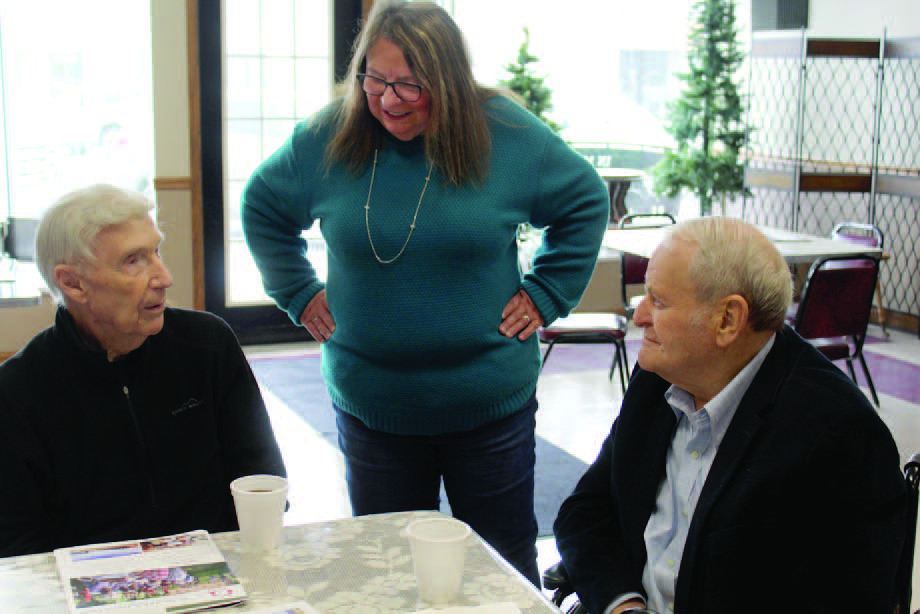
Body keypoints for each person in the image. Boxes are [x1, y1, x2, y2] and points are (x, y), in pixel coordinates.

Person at [241, 0, 608, 586]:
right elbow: (261, 204)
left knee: (501, 566)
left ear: (449, 80)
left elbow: (585, 200)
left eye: (410, 84)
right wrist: (297, 290)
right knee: (387, 570)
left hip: (488, 404)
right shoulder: (330, 134)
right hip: (373, 404)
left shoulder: (506, 133)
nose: (390, 100)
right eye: (375, 80)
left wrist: (547, 292)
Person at [554, 217, 907, 613]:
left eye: (659, 301)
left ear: (727, 320)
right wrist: (623, 606)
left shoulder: (838, 434)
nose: (639, 317)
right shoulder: (658, 378)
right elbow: (586, 511)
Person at [0, 184, 287, 557]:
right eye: (133, 261)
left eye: (156, 252)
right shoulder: (17, 392)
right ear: (72, 283)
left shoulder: (208, 345)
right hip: (89, 581)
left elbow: (261, 476)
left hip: (219, 564)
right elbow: (16, 545)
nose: (164, 277)